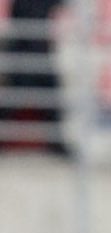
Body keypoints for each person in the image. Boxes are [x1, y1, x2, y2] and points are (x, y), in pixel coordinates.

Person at [0, 0, 69, 156]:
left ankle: (56, 144)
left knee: (53, 101)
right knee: (11, 102)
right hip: (22, 55)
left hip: (40, 54)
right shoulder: (20, 3)